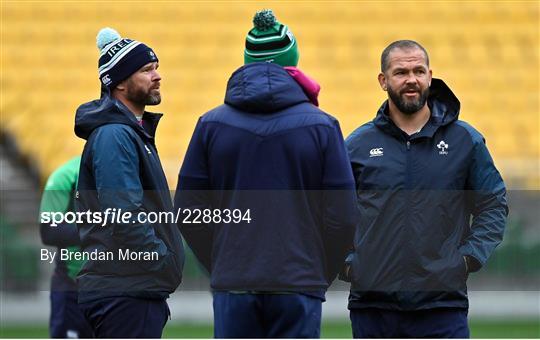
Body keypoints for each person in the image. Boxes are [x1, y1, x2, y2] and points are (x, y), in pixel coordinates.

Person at [175, 9, 357, 338]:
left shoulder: (210, 125)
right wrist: (317, 270)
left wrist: (221, 262)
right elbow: (343, 216)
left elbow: (189, 211)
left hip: (235, 281)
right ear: (293, 62)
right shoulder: (323, 126)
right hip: (299, 281)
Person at [344, 40, 508, 338]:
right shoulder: (357, 146)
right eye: (401, 72)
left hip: (443, 308)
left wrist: (468, 257)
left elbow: (493, 204)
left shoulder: (465, 141)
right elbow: (330, 213)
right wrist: (348, 265)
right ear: (383, 80)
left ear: (430, 76)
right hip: (373, 309)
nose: (411, 79)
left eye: (419, 71)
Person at [74, 28, 184, 338]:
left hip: (130, 290)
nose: (158, 76)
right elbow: (123, 214)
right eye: (147, 70)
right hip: (125, 292)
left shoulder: (127, 132)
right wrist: (161, 259)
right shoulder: (114, 135)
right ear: (120, 82)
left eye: (156, 67)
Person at [39, 156, 93, 338]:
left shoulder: (127, 174)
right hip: (72, 288)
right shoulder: (66, 175)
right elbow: (49, 231)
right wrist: (100, 230)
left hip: (116, 289)